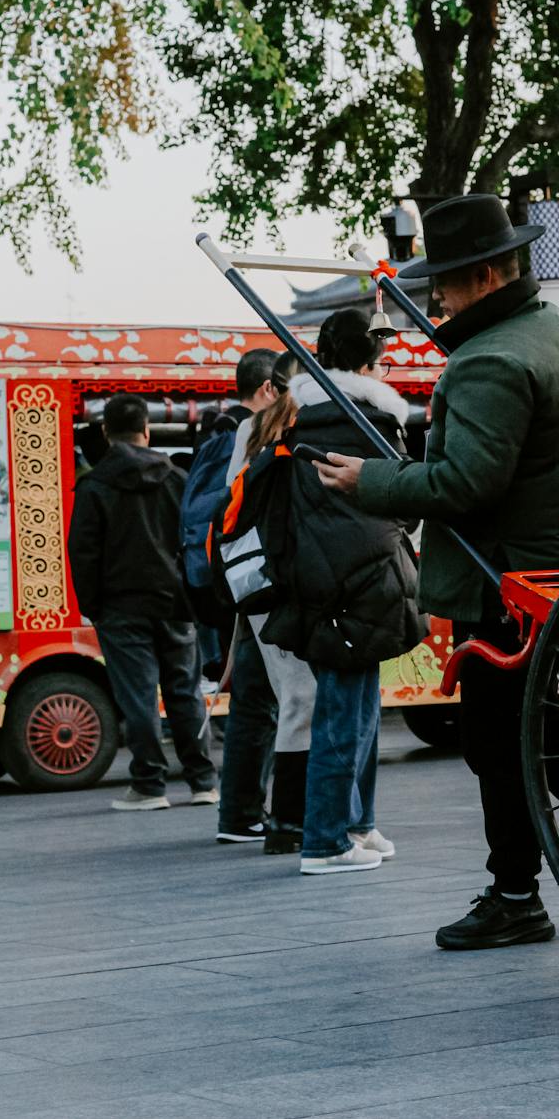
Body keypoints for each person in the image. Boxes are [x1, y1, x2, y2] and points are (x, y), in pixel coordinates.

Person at [316, 194, 559, 946]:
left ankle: (516, 894)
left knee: (496, 738)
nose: (438, 295)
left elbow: (461, 484)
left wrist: (370, 480)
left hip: (506, 576)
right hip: (552, 563)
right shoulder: (554, 328)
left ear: (483, 276)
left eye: (445, 281)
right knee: (536, 721)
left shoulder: (491, 357)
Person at [276, 309, 419, 874]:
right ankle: (325, 840)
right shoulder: (373, 422)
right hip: (362, 577)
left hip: (320, 578)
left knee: (356, 706)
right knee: (345, 713)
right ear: (369, 362)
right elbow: (402, 496)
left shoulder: (300, 420)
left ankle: (357, 823)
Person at [67, 394, 218, 811]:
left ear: (105, 433)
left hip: (121, 607)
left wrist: (94, 605)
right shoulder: (176, 480)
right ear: (147, 430)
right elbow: (194, 543)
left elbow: (82, 552)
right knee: (184, 691)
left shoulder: (95, 484)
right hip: (175, 603)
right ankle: (203, 781)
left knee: (138, 696)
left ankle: (150, 785)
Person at [183, 347, 282, 842]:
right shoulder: (245, 437)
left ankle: (241, 812)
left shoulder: (216, 436)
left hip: (231, 585)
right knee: (260, 700)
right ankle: (243, 813)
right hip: (254, 585)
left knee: (254, 697)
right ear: (267, 389)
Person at [230, 350, 316, 854]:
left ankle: (284, 818)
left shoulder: (251, 432)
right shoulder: (293, 429)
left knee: (290, 697)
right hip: (289, 579)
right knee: (300, 698)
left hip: (259, 583)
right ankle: (288, 819)